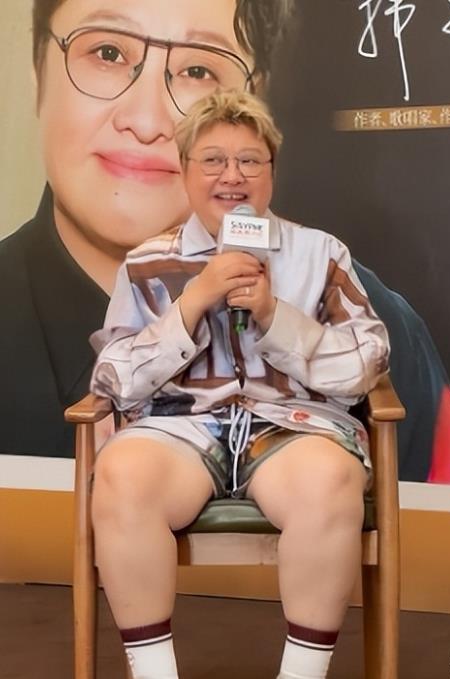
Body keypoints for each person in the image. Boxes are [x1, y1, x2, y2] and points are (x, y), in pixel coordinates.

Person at [1, 0, 450, 487]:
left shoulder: (364, 302)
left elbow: (444, 523)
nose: (145, 121)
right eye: (107, 53)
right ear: (38, 70)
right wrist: (193, 306)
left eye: (197, 70)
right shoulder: (135, 278)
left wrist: (276, 320)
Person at [89, 89, 389, 679]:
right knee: (123, 474)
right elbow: (114, 379)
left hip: (295, 427)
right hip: (178, 429)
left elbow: (366, 363)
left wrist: (276, 317)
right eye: (213, 161)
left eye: (250, 160)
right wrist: (192, 304)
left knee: (330, 479)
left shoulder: (320, 253)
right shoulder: (147, 263)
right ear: (185, 172)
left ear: (271, 171)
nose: (233, 176)